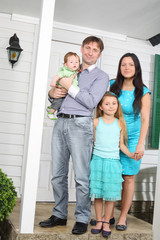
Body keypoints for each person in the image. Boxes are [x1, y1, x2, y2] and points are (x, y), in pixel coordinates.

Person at [39, 36, 109, 235]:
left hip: (81, 125)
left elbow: (90, 101)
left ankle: (82, 218)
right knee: (57, 175)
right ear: (81, 49)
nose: (90, 52)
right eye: (87, 48)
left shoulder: (101, 76)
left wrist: (68, 86)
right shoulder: (70, 70)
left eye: (94, 50)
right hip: (60, 121)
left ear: (99, 54)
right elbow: (55, 93)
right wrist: (52, 92)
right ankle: (59, 214)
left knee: (81, 177)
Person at [110, 52, 151, 231]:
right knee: (111, 177)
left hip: (133, 139)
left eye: (131, 64)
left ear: (137, 68)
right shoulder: (112, 85)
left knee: (128, 177)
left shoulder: (143, 90)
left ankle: (123, 217)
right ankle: (108, 215)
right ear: (120, 68)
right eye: (123, 64)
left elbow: (145, 120)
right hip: (112, 136)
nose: (127, 68)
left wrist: (140, 143)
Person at [89, 91, 135, 237]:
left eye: (114, 103)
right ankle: (98, 221)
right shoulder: (96, 122)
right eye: (107, 104)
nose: (111, 106)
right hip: (98, 161)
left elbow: (121, 145)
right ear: (101, 107)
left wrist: (131, 155)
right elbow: (93, 142)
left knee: (110, 195)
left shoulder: (120, 123)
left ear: (117, 106)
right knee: (98, 194)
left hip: (113, 163)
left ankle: (107, 222)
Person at [47, 52, 80, 120]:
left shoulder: (74, 72)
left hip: (67, 92)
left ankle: (50, 107)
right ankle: (51, 112)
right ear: (65, 64)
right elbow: (57, 76)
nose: (74, 64)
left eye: (77, 62)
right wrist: (53, 82)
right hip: (61, 90)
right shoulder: (65, 71)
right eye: (71, 62)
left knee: (59, 101)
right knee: (58, 102)